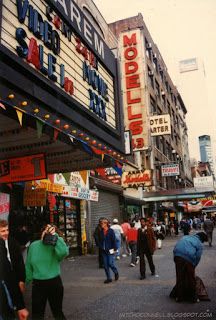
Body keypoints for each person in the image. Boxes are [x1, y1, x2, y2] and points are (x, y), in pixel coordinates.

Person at [25, 224, 69, 320]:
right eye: (46, 230)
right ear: (42, 231)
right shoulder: (33, 246)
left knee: (57, 312)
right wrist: (24, 282)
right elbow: (28, 265)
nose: (47, 232)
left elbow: (64, 253)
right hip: (38, 284)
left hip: (54, 283)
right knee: (37, 314)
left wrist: (55, 237)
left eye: (51, 231)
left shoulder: (55, 245)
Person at [0, 221, 29, 320]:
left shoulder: (12, 242)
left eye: (7, 230)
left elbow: (19, 263)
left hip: (12, 278)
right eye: (2, 231)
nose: (6, 233)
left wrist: (21, 280)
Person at [170, 232, 208, 303]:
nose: (202, 242)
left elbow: (177, 246)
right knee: (191, 278)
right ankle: (193, 298)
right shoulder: (199, 243)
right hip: (189, 257)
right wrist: (193, 266)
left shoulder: (186, 237)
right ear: (202, 239)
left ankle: (179, 297)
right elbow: (198, 257)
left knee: (179, 277)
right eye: (203, 241)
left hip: (177, 255)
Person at [98, 218, 119, 284]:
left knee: (110, 263)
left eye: (102, 223)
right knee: (105, 265)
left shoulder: (111, 231)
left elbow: (114, 240)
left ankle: (116, 272)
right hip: (103, 251)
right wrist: (100, 246)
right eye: (101, 223)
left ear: (106, 224)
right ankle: (109, 278)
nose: (101, 224)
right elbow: (99, 240)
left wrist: (115, 249)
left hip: (110, 250)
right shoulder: (101, 232)